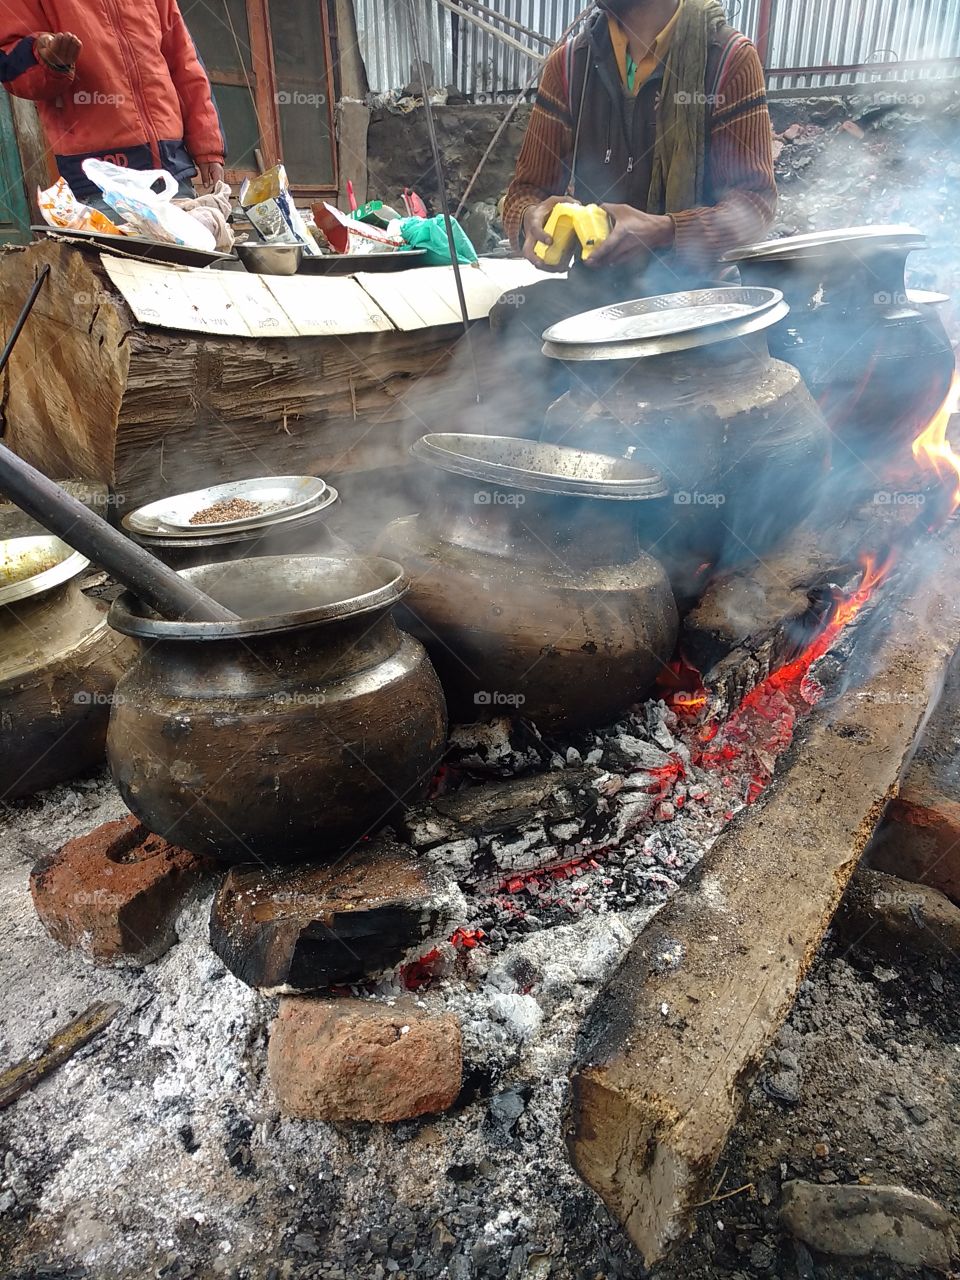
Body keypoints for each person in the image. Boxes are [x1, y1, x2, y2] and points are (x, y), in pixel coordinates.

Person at [495, 0, 777, 353]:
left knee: (701, 377)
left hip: (696, 302)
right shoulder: (569, 65)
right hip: (597, 300)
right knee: (512, 320)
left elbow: (756, 205)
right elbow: (526, 191)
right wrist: (531, 219)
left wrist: (665, 229)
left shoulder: (728, 60)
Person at [1, 1, 225, 207]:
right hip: (99, 187)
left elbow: (184, 61)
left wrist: (208, 149)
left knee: (187, 250)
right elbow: (11, 64)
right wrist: (47, 59)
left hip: (172, 176)